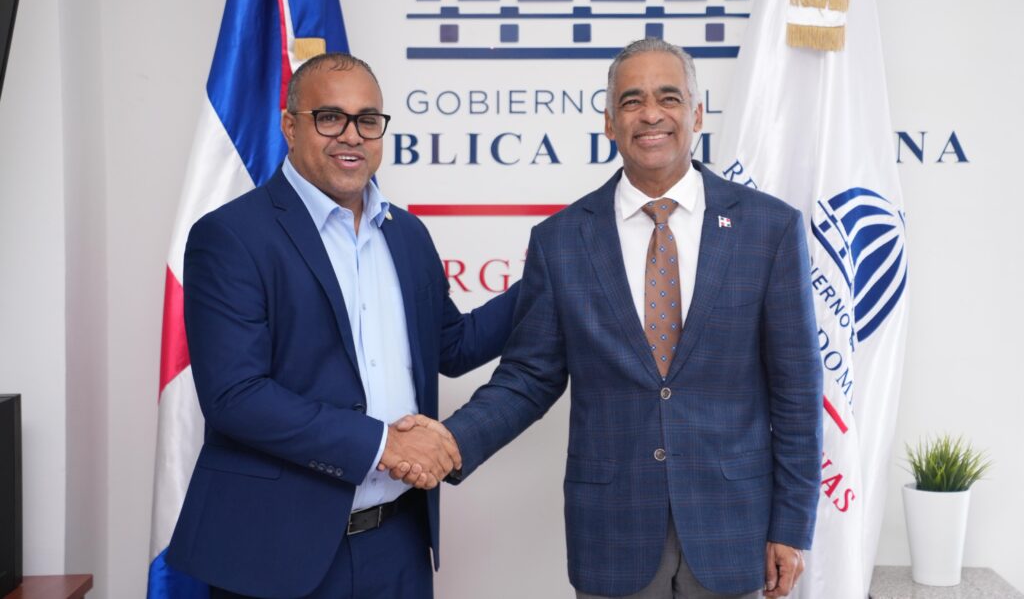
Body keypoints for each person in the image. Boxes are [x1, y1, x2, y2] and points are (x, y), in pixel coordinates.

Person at [395, 38, 823, 598]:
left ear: (696, 115)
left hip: (734, 529)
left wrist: (791, 525)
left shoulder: (769, 229)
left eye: (669, 98)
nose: (651, 114)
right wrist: (452, 441)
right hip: (613, 534)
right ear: (609, 123)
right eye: (631, 100)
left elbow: (797, 391)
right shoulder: (561, 241)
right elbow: (529, 378)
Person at [166, 52, 518, 599]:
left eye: (367, 120)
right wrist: (382, 444)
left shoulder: (407, 234)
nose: (351, 135)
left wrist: (550, 277)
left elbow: (451, 345)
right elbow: (235, 395)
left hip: (399, 543)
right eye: (330, 117)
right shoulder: (232, 236)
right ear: (290, 126)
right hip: (276, 551)